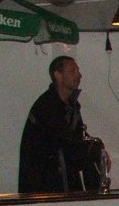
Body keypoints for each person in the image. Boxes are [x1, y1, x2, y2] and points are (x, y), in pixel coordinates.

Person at [19, 55, 103, 193]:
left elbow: (78, 135)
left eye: (78, 70)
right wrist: (91, 148)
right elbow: (63, 140)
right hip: (45, 186)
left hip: (65, 181)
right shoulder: (46, 106)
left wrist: (98, 149)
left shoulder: (71, 105)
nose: (79, 75)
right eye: (72, 71)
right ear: (58, 75)